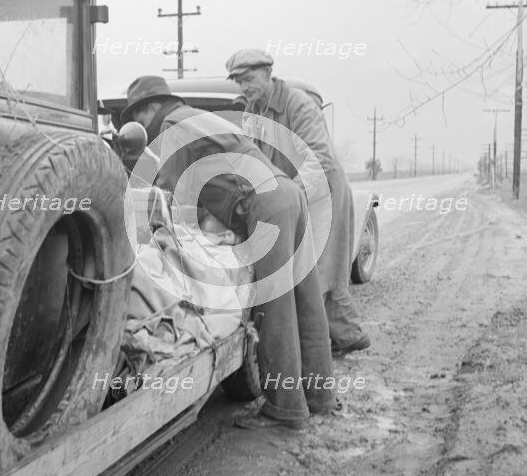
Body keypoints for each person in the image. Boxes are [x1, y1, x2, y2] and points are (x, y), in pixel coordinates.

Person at [121, 75, 339, 430]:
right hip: (287, 194)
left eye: (139, 116)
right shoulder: (196, 117)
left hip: (265, 206)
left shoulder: (173, 127)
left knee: (274, 308)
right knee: (306, 299)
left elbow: (173, 195)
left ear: (150, 108)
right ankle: (320, 396)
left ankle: (286, 413)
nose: (141, 126)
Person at [225, 49, 370, 356]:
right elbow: (253, 156)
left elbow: (320, 159)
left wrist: (290, 195)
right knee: (309, 270)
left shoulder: (298, 104)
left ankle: (336, 339)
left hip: (320, 194)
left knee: (318, 270)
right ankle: (345, 335)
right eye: (239, 82)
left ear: (268, 74)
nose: (244, 88)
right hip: (290, 194)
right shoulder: (253, 111)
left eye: (249, 79)